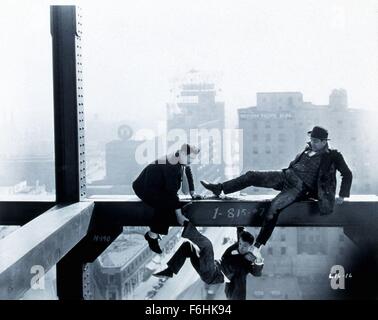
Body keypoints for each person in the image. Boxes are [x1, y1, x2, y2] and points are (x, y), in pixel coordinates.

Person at [200, 126, 352, 260]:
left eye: (316, 141)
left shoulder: (333, 156)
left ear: (325, 141)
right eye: (311, 139)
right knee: (251, 175)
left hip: (299, 188)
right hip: (285, 176)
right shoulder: (307, 149)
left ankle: (257, 246)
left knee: (273, 208)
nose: (313, 143)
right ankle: (219, 188)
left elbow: (347, 174)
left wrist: (343, 195)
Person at [153, 222, 264, 300]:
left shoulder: (247, 261)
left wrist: (258, 259)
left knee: (207, 245)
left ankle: (186, 226)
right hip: (209, 269)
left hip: (215, 274)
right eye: (240, 244)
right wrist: (239, 222)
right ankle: (170, 270)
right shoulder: (238, 246)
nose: (241, 247)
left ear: (250, 247)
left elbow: (257, 272)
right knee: (188, 247)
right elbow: (240, 232)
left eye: (245, 246)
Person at [132, 143, 201, 254]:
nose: (191, 161)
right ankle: (152, 235)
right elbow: (171, 194)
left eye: (193, 159)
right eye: (189, 158)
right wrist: (179, 215)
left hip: (158, 186)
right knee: (167, 205)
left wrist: (192, 192)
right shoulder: (171, 165)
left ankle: (153, 234)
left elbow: (188, 171)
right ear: (182, 153)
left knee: (172, 203)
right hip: (144, 188)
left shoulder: (179, 158)